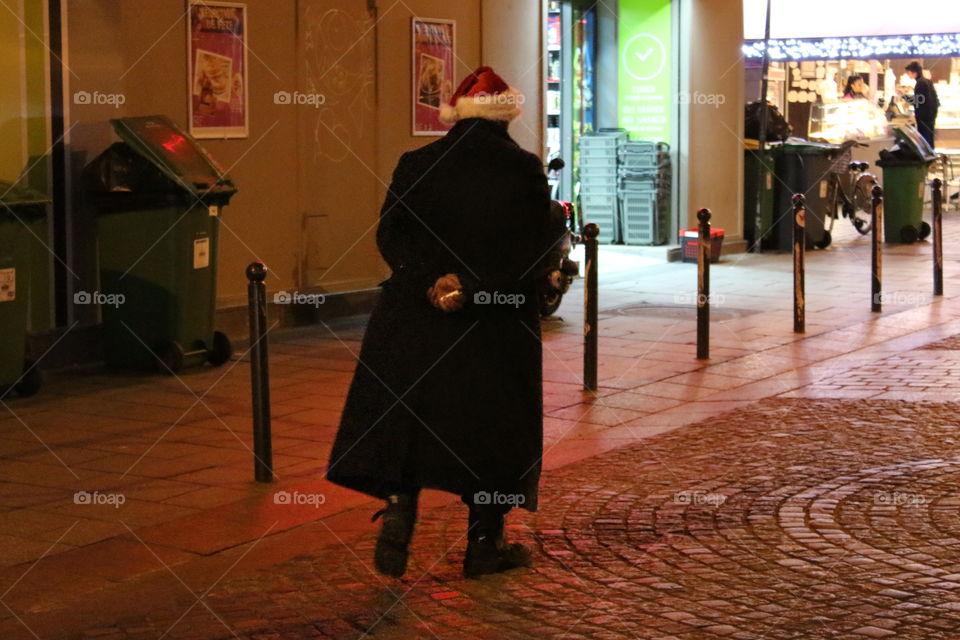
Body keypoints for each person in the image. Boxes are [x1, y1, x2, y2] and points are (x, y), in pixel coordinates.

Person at [327, 67, 557, 579]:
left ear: (453, 117)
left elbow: (392, 235)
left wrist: (433, 279)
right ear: (506, 118)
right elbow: (535, 247)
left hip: (414, 315)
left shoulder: (417, 162)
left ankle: (400, 507)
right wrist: (474, 286)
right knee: (494, 426)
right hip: (493, 320)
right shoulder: (522, 169)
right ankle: (485, 542)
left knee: (409, 416)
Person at [904, 61, 939, 149]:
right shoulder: (927, 81)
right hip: (931, 115)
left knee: (924, 138)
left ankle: (927, 156)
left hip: (924, 116)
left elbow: (918, 101)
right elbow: (935, 100)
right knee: (929, 137)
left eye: (909, 73)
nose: (908, 75)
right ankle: (931, 154)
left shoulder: (920, 83)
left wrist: (904, 96)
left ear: (914, 72)